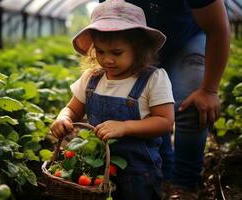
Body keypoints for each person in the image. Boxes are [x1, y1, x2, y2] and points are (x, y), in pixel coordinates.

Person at [98, 0, 231, 199]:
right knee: (146, 103)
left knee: (191, 104)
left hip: (187, 39)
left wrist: (209, 90)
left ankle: (185, 184)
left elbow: (218, 28)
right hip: (137, 43)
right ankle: (163, 175)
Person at [50, 0, 175, 199]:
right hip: (97, 167)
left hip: (138, 174)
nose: (107, 59)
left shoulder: (154, 79)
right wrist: (63, 118)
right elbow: (72, 109)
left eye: (117, 53)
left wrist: (125, 127)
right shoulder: (92, 78)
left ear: (139, 48)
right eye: (100, 51)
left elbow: (165, 122)